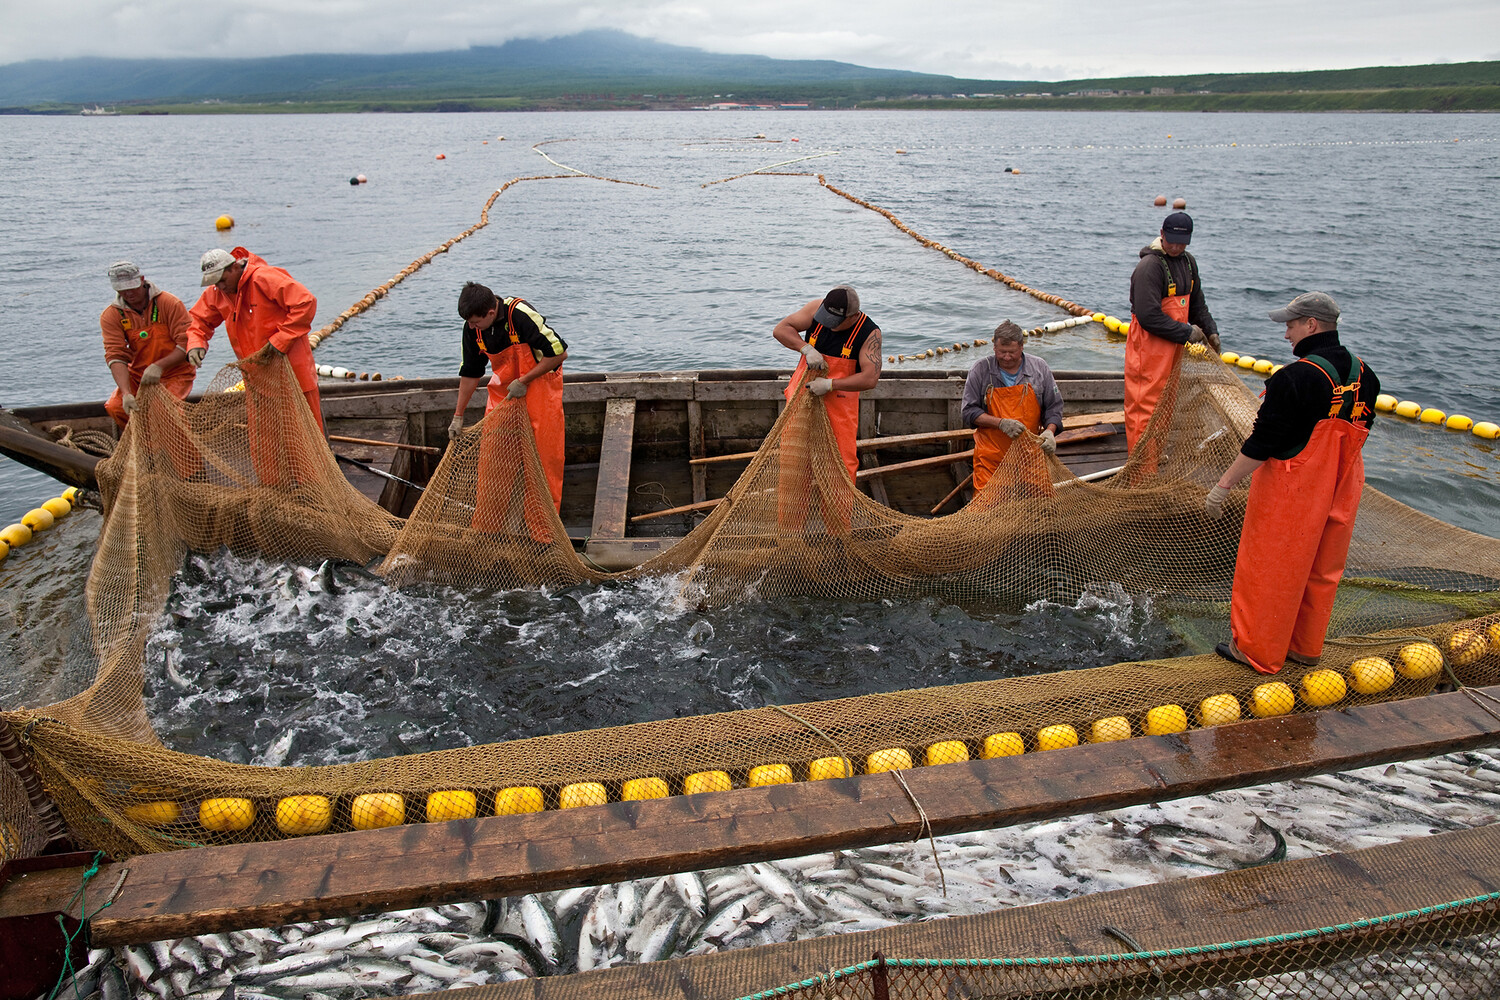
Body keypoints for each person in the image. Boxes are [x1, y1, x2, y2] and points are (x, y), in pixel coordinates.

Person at [1205, 292, 1379, 674]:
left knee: (1271, 567)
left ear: (1311, 325)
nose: (1286, 334)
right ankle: (1305, 648)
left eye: (1290, 325)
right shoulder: (1367, 376)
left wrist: (1224, 485)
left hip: (1293, 488)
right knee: (1322, 567)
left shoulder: (1293, 378)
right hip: (1344, 483)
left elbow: (1262, 444)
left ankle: (1256, 651)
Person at [450, 282, 568, 511]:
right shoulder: (472, 327)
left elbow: (559, 353)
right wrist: (458, 415)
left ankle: (542, 533)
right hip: (504, 394)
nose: (471, 326)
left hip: (540, 389)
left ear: (491, 313)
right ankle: (489, 528)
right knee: (493, 460)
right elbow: (471, 372)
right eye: (469, 322)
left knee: (545, 462)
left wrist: (524, 381)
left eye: (476, 321)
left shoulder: (521, 315)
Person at [187, 247, 323, 432]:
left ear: (233, 267)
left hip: (293, 376)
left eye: (222, 280)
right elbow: (198, 320)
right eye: (214, 282)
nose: (219, 286)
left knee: (304, 437)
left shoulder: (264, 278)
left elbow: (305, 303)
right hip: (258, 382)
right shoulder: (217, 292)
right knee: (264, 443)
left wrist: (280, 341)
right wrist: (196, 344)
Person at [1124, 212, 1221, 453]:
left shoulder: (1188, 262)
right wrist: (1186, 332)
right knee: (1144, 406)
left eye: (1182, 242)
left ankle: (1154, 457)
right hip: (1148, 348)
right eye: (1172, 241)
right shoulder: (1149, 267)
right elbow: (1148, 316)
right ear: (1161, 234)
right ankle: (1140, 471)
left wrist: (1210, 330)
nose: (1177, 247)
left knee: (1165, 404)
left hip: (1173, 347)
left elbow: (1197, 304)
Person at [772, 285, 883, 481]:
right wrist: (805, 348)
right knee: (794, 459)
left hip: (839, 404)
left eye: (835, 322)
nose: (828, 325)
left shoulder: (869, 333)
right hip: (802, 396)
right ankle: (793, 511)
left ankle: (836, 511)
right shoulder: (816, 308)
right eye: (826, 318)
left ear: (852, 316)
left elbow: (870, 378)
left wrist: (831, 385)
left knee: (840, 464)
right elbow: (781, 330)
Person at [961, 321, 1064, 491]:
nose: (1007, 357)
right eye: (1002, 352)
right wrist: (1001, 423)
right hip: (992, 457)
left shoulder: (1040, 368)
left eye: (1012, 352)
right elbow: (968, 412)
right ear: (994, 347)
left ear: (1022, 347)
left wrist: (1050, 432)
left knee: (1041, 504)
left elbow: (1054, 407)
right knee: (985, 508)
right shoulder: (980, 370)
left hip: (1030, 454)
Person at [99, 261, 194, 427]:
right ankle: (147, 450)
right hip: (138, 377)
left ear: (142, 280)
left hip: (175, 373)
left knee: (164, 411)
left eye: (132, 287)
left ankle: (184, 453)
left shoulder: (169, 303)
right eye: (122, 288)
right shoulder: (111, 315)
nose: (128, 293)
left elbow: (187, 343)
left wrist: (159, 366)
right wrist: (127, 392)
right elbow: (115, 355)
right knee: (116, 407)